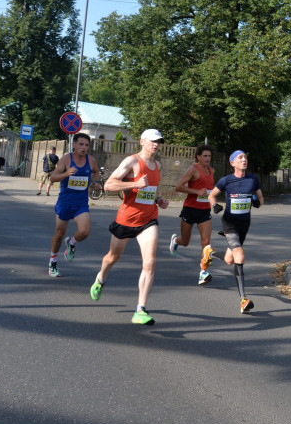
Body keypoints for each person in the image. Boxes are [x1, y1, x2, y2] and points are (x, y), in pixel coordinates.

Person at [89, 129, 171, 325]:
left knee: (150, 262)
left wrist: (158, 199)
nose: (156, 144)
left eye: (158, 141)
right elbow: (108, 185)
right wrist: (134, 183)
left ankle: (140, 309)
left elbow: (150, 190)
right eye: (152, 141)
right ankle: (101, 278)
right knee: (112, 257)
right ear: (142, 142)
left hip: (149, 219)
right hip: (126, 219)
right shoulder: (132, 162)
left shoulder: (157, 165)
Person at [207, 150, 264, 313]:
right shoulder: (226, 180)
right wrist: (215, 205)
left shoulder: (253, 180)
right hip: (229, 222)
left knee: (230, 259)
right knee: (240, 255)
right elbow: (212, 195)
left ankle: (209, 254)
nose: (244, 159)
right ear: (232, 163)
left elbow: (261, 198)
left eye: (245, 157)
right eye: (240, 158)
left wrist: (257, 202)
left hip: (244, 223)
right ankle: (243, 300)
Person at [46, 133, 98, 278]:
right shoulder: (66, 159)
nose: (84, 148)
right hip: (65, 202)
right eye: (81, 144)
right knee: (59, 234)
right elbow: (53, 177)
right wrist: (66, 173)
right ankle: (53, 261)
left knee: (84, 232)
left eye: (86, 145)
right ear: (74, 145)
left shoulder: (91, 160)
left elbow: (96, 172)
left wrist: (95, 182)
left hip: (81, 204)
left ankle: (71, 242)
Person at [170, 144, 217, 285]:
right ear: (198, 156)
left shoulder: (212, 171)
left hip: (204, 210)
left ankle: (203, 272)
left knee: (206, 243)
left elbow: (209, 188)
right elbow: (179, 186)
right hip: (190, 209)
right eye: (205, 156)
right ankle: (175, 241)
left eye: (209, 156)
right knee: (185, 241)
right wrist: (197, 192)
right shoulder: (193, 170)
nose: (208, 158)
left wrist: (212, 193)